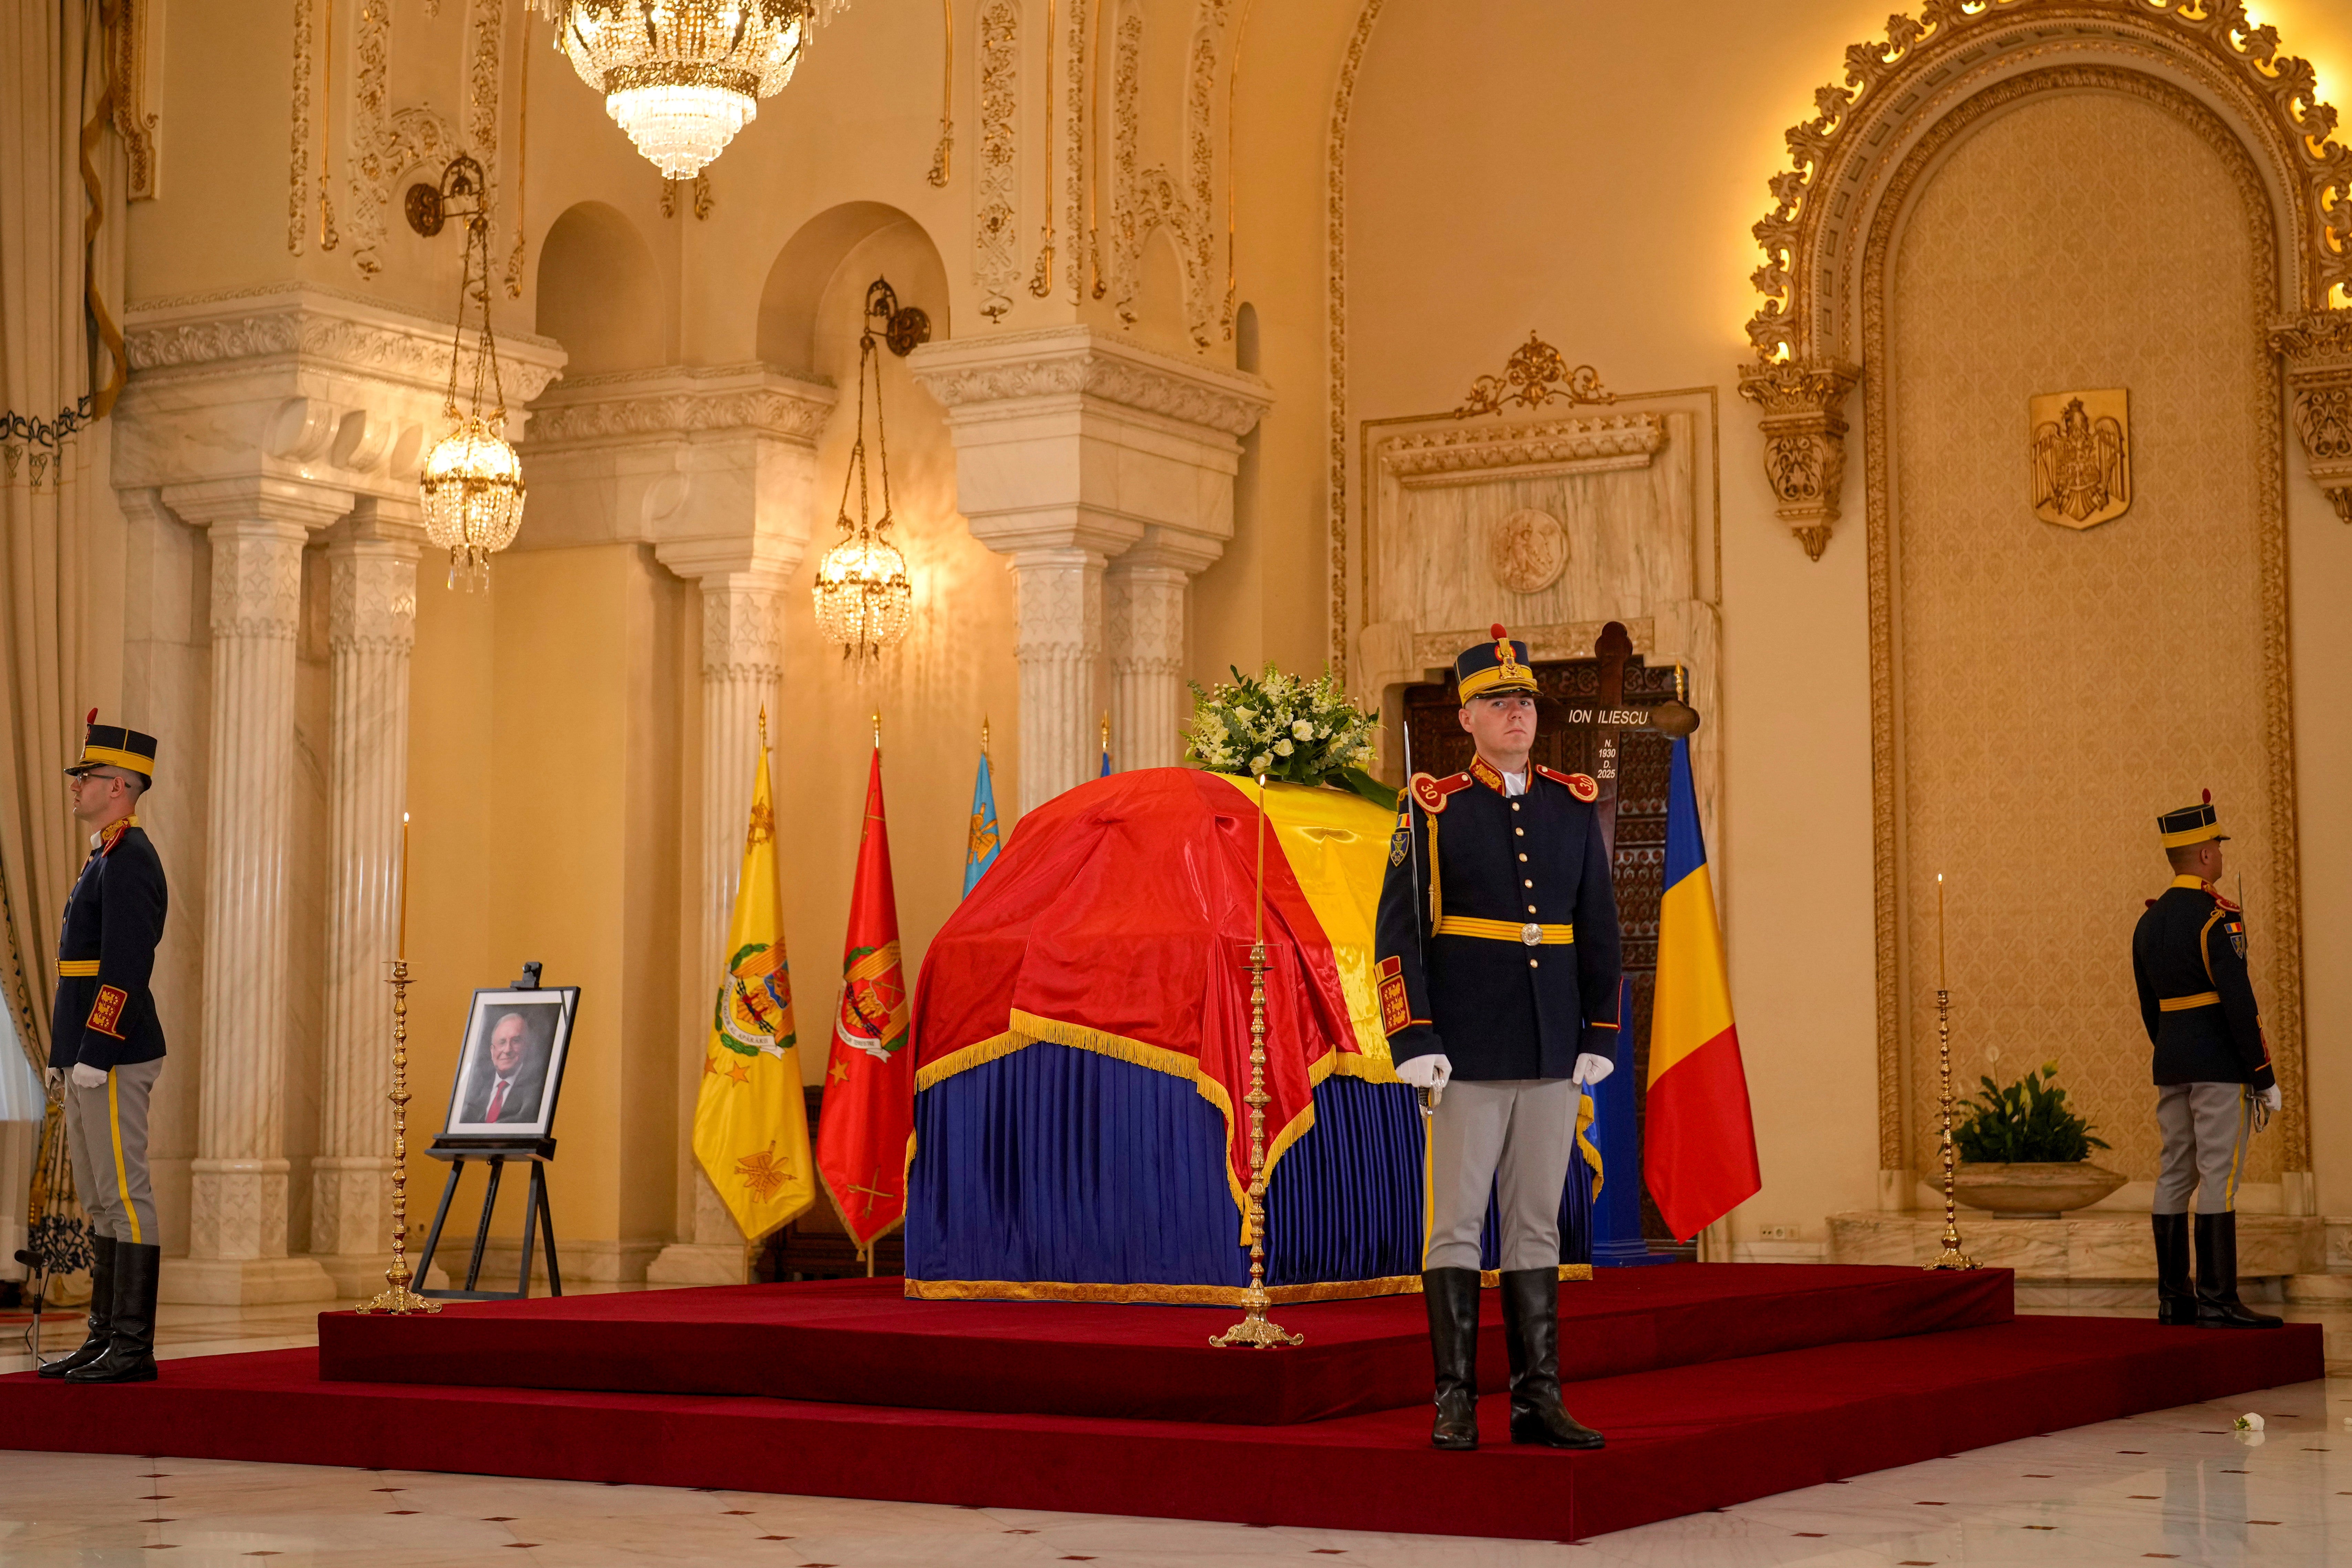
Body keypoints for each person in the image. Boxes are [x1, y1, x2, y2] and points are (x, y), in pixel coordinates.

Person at [1375, 625, 1622, 1452]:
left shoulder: (1567, 803)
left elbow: (1597, 927)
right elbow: (1398, 935)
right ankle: (1453, 1399)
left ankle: (1535, 1400)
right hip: (1468, 1048)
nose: (1516, 713)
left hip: (1552, 1045)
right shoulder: (1434, 807)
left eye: (1524, 702)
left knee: (1534, 1228)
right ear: (1466, 715)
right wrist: (1414, 1036)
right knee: (1453, 1227)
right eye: (1497, 702)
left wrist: (1597, 1027)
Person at [42, 714, 168, 1384]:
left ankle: (132, 1346)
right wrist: (68, 1052)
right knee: (98, 1196)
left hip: (116, 1051)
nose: (76, 787)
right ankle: (101, 1339)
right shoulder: (104, 856)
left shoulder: (130, 860)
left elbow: (124, 966)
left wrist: (95, 1047)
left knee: (126, 1190)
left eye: (85, 777)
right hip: (88, 1048)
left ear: (117, 785)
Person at [2133, 791, 2281, 1330]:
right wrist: (2261, 1076)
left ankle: (2174, 1299)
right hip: (2218, 1063)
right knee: (2218, 1173)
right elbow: (2239, 1004)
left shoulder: (2147, 924)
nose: (2220, 854)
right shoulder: (2215, 917)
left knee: (2174, 1172)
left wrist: (2172, 1050)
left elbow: (2149, 1006)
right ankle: (2218, 1299)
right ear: (2202, 856)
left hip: (2171, 1062)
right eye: (2216, 846)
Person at [461, 1011, 544, 1125]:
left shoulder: (537, 1091)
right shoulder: (474, 1089)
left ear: (527, 1047)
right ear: (492, 1051)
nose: (507, 1050)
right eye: (502, 1042)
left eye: (516, 1041)